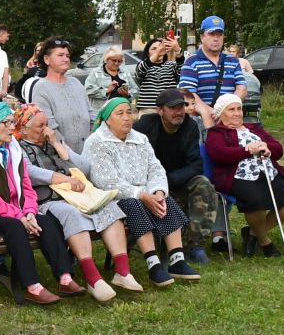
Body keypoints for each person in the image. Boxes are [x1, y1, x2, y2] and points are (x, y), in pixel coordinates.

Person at [0, 101, 80, 304]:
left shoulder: (12, 149)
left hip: (13, 211)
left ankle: (65, 277)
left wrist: (30, 211)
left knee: (47, 221)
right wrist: (19, 215)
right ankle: (32, 286)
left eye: (11, 122)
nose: (11, 127)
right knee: (14, 226)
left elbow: (26, 186)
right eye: (5, 123)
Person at [16, 103, 131, 297]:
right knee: (71, 214)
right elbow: (29, 172)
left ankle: (123, 271)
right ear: (25, 130)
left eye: (47, 124)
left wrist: (59, 146)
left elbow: (85, 167)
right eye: (40, 126)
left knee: (108, 209)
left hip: (79, 196)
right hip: (49, 200)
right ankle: (93, 279)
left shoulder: (54, 140)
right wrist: (63, 178)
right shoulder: (18, 147)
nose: (46, 130)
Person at [83, 98, 198, 286]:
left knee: (164, 200)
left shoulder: (140, 138)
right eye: (120, 114)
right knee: (133, 204)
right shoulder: (97, 142)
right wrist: (141, 194)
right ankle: (153, 264)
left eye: (129, 112)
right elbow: (105, 181)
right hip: (110, 198)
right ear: (107, 120)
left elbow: (155, 168)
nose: (127, 118)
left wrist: (158, 191)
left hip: (144, 193)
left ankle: (177, 260)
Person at [205, 94, 284, 257]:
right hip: (238, 175)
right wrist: (247, 150)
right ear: (220, 114)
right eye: (231, 109)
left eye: (239, 109)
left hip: (268, 172)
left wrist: (267, 148)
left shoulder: (254, 128)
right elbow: (219, 154)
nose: (237, 113)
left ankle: (253, 232)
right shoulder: (216, 132)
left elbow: (279, 149)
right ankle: (265, 242)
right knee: (256, 203)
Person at [135, 87, 218, 263]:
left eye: (181, 107)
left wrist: (169, 180)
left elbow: (196, 164)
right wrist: (156, 185)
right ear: (160, 111)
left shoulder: (190, 126)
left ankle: (195, 245)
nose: (178, 112)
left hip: (178, 180)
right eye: (172, 108)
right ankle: (156, 244)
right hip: (147, 183)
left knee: (204, 184)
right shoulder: (144, 125)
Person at [179, 15, 249, 121]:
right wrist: (212, 113)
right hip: (201, 121)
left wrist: (227, 109)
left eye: (219, 34)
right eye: (211, 34)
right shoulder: (191, 62)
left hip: (228, 120)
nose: (216, 38)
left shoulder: (233, 61)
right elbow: (188, 94)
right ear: (202, 37)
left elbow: (242, 89)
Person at [30, 38, 94, 144]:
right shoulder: (41, 88)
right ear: (46, 59)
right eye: (60, 55)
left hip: (88, 152)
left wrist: (90, 144)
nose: (66, 59)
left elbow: (91, 116)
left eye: (67, 56)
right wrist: (71, 156)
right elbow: (49, 128)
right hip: (61, 156)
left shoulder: (76, 83)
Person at [133, 35, 182, 108]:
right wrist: (158, 53)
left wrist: (178, 50)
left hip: (169, 108)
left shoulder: (172, 66)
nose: (159, 50)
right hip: (148, 108)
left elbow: (181, 69)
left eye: (160, 47)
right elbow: (141, 70)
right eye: (154, 49)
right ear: (148, 53)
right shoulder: (142, 65)